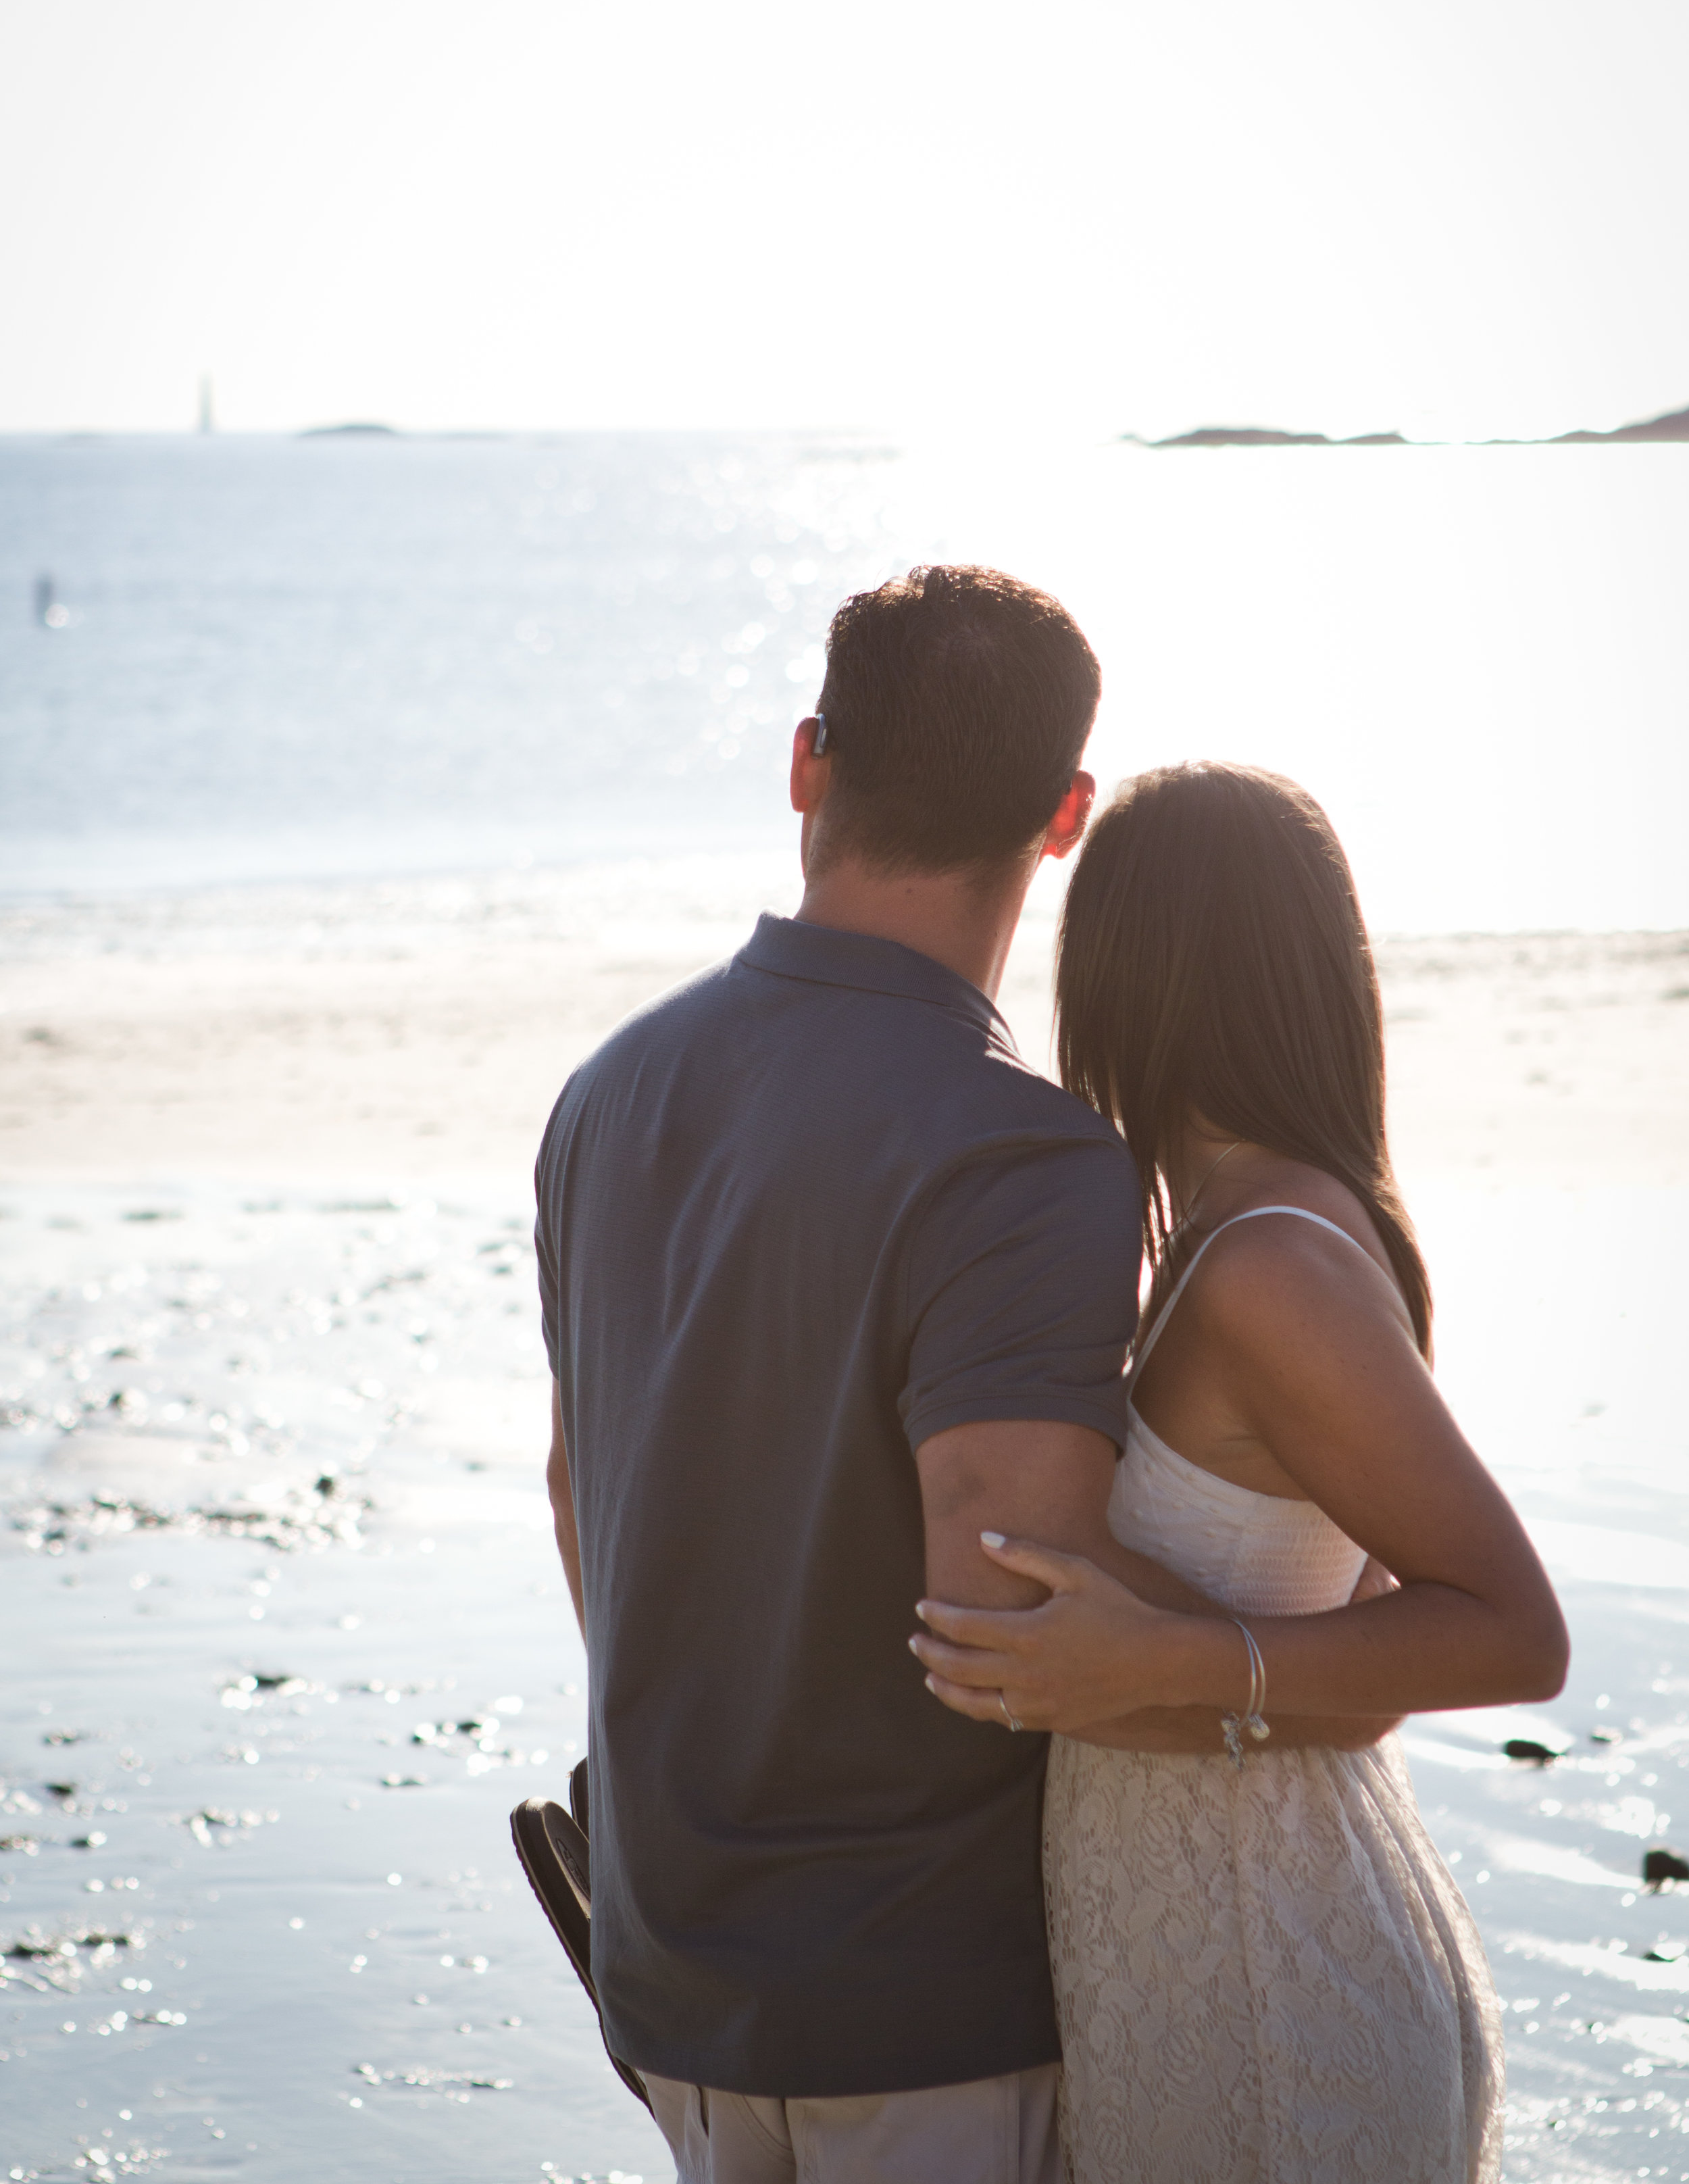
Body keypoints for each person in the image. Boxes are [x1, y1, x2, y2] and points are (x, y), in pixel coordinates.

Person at [538, 574, 1398, 2184]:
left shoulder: (604, 1094)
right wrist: (1331, 1681)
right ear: (1061, 816)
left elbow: (581, 1495)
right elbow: (1016, 1617)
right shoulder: (1022, 1158)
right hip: (916, 2011)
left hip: (668, 1970)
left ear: (807, 762)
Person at [912, 762, 1569, 2184]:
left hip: (1272, 1987)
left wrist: (1171, 1655)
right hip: (1218, 1955)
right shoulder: (1232, 1233)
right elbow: (1357, 1621)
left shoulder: (1271, 1262)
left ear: (1138, 976)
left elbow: (1514, 1630)